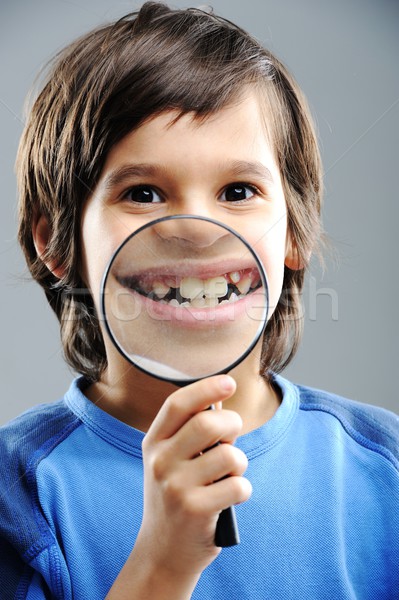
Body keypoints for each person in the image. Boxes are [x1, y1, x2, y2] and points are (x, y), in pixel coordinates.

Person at [1, 2, 398, 598]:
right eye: (143, 193)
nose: (196, 228)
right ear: (55, 243)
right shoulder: (18, 493)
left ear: (295, 233)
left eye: (238, 191)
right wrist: (162, 565)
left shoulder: (385, 469)